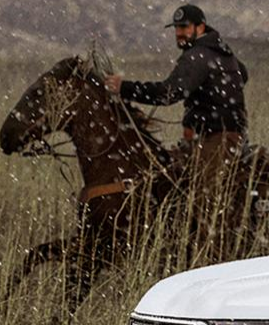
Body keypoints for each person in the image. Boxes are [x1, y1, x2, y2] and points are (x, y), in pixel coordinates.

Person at [104, 4, 249, 193]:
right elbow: (242, 74)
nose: (179, 33)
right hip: (217, 137)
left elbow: (167, 93)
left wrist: (124, 87)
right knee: (168, 179)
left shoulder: (199, 56)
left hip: (217, 139)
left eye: (184, 27)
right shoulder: (220, 50)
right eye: (177, 28)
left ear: (201, 27)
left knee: (201, 197)